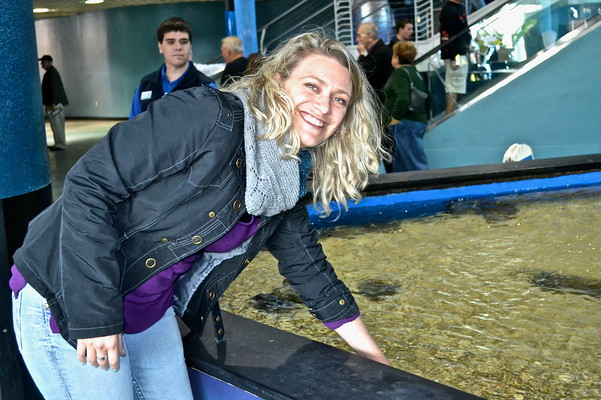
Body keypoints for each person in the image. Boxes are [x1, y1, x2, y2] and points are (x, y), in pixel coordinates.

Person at [10, 31, 389, 400]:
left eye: (339, 99)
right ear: (278, 81)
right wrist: (93, 317)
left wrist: (379, 364)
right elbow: (88, 185)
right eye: (311, 86)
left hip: (147, 310)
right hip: (69, 294)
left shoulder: (285, 179)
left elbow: (310, 270)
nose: (324, 107)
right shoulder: (207, 116)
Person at [129, 17, 213, 119]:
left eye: (184, 42)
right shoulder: (146, 84)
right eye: (171, 42)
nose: (178, 47)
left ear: (190, 46)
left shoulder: (206, 87)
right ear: (160, 46)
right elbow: (133, 126)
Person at [383, 41, 429, 172]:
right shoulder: (416, 73)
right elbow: (428, 96)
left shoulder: (400, 73)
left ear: (397, 58)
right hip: (417, 121)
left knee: (409, 164)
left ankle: (420, 190)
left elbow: (403, 98)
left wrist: (395, 119)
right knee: (412, 160)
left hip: (404, 124)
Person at [356, 22, 394, 172]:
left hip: (380, 105)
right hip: (377, 104)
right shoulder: (376, 52)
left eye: (359, 36)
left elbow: (362, 73)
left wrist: (361, 55)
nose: (357, 39)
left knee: (383, 140)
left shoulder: (382, 52)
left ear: (369, 36)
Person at [439, 0, 472, 115]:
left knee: (457, 86)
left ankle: (450, 114)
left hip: (461, 52)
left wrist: (468, 44)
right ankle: (448, 116)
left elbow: (465, 29)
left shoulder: (460, 7)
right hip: (455, 55)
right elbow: (446, 36)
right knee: (453, 86)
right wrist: (452, 58)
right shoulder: (448, 11)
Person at [39, 55, 69, 150]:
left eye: (43, 63)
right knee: (56, 125)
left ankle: (60, 144)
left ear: (49, 62)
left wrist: (53, 103)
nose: (41, 65)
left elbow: (54, 89)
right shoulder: (51, 73)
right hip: (55, 103)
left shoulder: (51, 74)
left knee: (57, 124)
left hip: (55, 105)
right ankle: (58, 143)